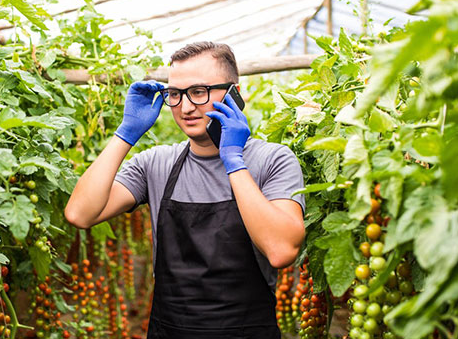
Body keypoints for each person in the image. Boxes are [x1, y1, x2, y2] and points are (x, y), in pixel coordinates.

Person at [64, 41, 305, 339]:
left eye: (199, 92)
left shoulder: (272, 160)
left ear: (234, 95)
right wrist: (125, 135)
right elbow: (80, 213)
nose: (186, 107)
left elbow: (281, 251)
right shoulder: (156, 164)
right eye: (175, 95)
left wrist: (233, 161)